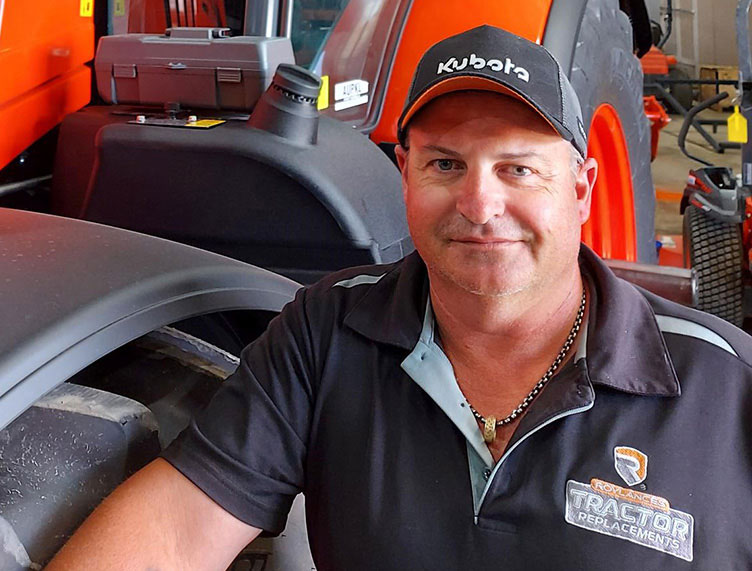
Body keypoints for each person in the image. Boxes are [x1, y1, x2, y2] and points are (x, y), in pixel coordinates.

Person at [48, 25, 752, 570]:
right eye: (447, 163)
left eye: (517, 169)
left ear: (581, 188)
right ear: (405, 173)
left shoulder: (725, 387)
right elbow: (175, 533)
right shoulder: (327, 333)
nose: (480, 204)